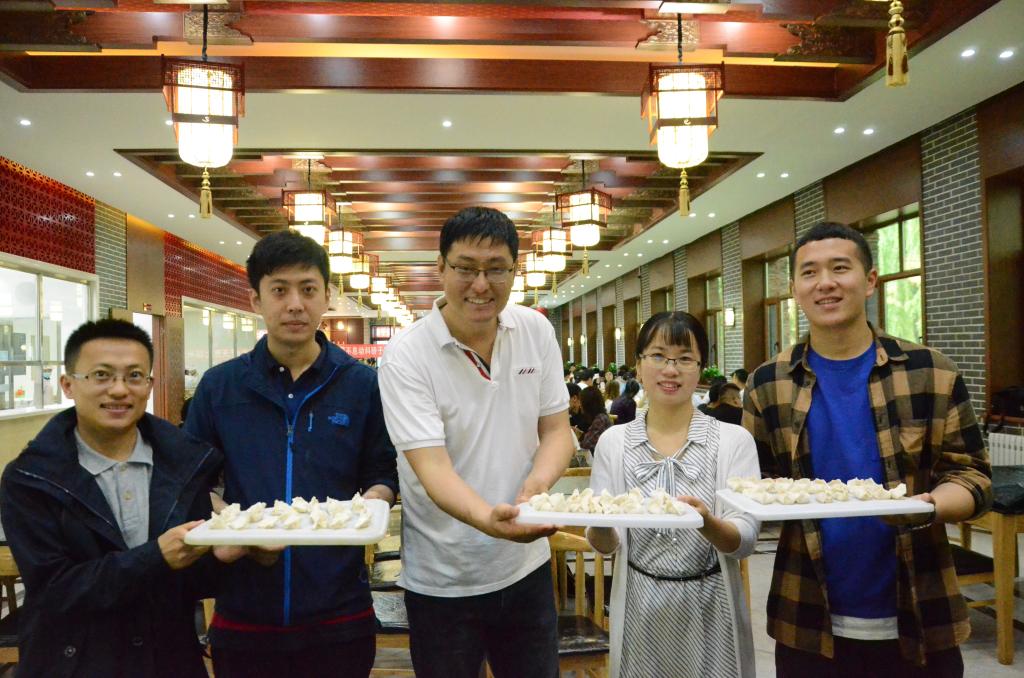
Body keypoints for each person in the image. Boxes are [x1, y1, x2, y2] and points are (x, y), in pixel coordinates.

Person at [744, 221, 992, 676]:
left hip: (920, 611)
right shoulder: (768, 383)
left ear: (871, 280)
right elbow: (752, 483)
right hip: (806, 617)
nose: (825, 283)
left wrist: (927, 507)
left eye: (840, 268)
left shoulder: (930, 371)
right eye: (809, 272)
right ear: (795, 289)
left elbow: (972, 476)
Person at [185, 230, 399, 678]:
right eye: (279, 290)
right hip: (244, 611)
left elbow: (382, 472)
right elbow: (190, 482)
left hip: (339, 612)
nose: (295, 305)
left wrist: (369, 508)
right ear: (255, 299)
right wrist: (235, 528)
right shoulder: (220, 387)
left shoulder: (361, 385)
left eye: (308, 289)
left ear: (327, 297)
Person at [378, 206, 575, 678]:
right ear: (441, 268)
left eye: (496, 269)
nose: (481, 285)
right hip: (443, 580)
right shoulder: (407, 354)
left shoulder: (534, 330)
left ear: (514, 271)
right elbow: (432, 468)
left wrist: (537, 486)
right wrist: (489, 519)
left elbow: (556, 430)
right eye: (466, 268)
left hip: (526, 569)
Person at [0, 319, 234, 677]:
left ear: (149, 385)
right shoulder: (31, 478)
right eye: (101, 375)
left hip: (168, 660)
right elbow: (54, 591)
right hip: (74, 663)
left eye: (134, 376)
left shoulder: (184, 465)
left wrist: (223, 557)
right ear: (68, 385)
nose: (120, 390)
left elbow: (189, 582)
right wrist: (156, 557)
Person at [587, 311, 760, 678]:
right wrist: (598, 524)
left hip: (712, 604)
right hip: (639, 605)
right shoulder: (614, 443)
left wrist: (707, 522)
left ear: (701, 369)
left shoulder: (733, 441)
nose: (670, 369)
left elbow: (744, 540)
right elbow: (606, 545)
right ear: (638, 366)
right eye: (658, 356)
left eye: (684, 358)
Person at [579, 386, 613, 452]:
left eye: (581, 401)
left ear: (587, 404)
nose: (580, 405)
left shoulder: (600, 420)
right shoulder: (601, 416)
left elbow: (585, 445)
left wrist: (578, 437)